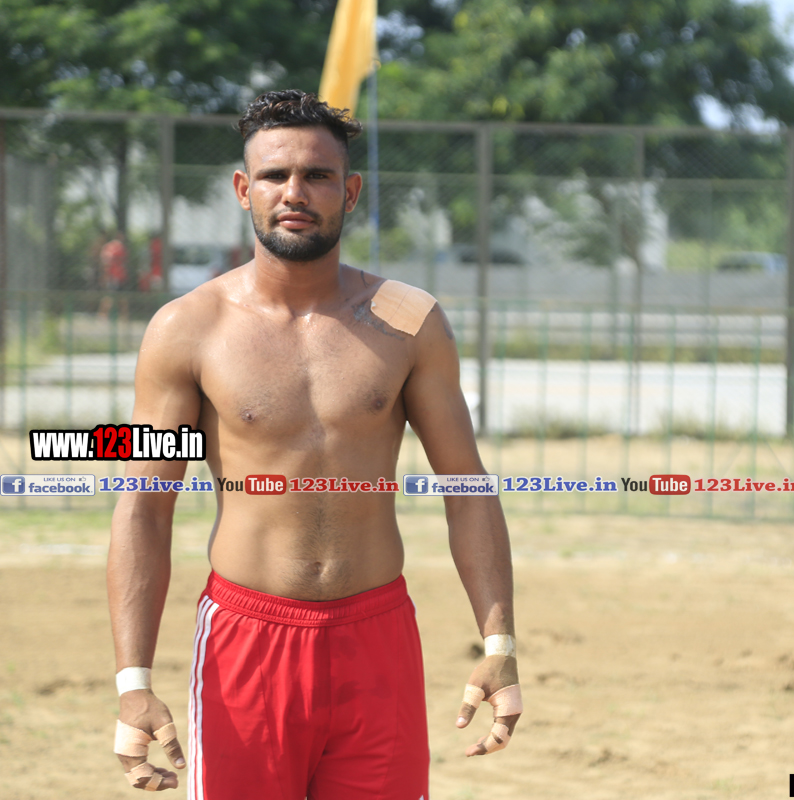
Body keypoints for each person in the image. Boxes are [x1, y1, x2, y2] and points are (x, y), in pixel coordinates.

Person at [107, 90, 521, 796]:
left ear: (349, 192)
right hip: (245, 642)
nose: (294, 192)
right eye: (274, 175)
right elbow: (144, 505)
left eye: (318, 175)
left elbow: (466, 485)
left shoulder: (409, 321)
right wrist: (132, 683)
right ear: (244, 190)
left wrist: (500, 642)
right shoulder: (186, 327)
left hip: (377, 637)